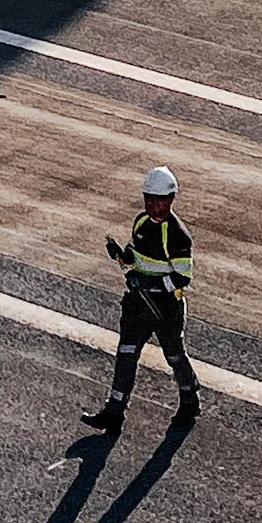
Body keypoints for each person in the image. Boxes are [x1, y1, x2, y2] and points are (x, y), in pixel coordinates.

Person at [80, 166, 199, 437]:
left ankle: (190, 399)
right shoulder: (141, 222)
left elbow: (182, 277)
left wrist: (149, 285)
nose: (154, 207)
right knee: (126, 354)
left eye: (159, 202)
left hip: (166, 309)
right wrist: (121, 256)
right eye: (149, 201)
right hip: (137, 306)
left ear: (171, 200)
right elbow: (134, 256)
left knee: (174, 355)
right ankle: (114, 412)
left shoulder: (178, 235)